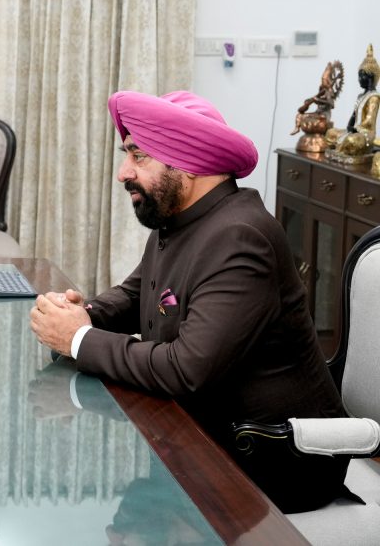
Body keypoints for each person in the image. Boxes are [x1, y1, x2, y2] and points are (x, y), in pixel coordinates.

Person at [30, 90, 350, 513]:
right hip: (209, 435)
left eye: (138, 155)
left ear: (188, 161)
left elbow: (186, 370)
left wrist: (77, 339)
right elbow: (137, 295)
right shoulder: (181, 222)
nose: (123, 173)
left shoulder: (241, 238)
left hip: (274, 458)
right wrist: (79, 315)